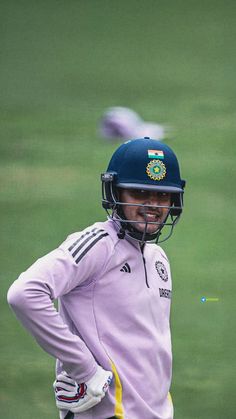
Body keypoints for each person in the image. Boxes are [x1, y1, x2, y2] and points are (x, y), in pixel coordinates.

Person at [7, 137, 185, 419]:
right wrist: (83, 368)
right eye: (139, 192)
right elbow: (25, 293)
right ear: (115, 193)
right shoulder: (99, 243)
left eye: (163, 195)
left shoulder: (158, 258)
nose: (153, 204)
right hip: (108, 413)